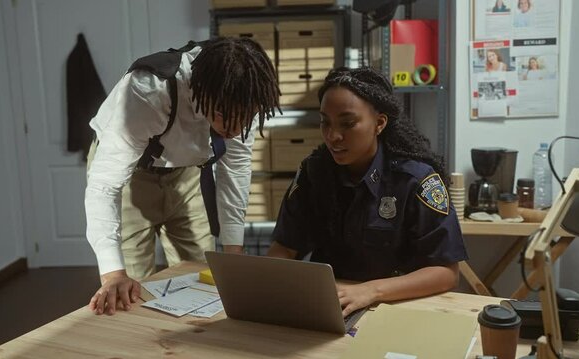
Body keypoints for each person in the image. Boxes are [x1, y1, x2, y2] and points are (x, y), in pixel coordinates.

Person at [86, 37, 281, 315]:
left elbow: (234, 169)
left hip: (185, 174)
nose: (236, 128)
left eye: (246, 118)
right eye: (224, 115)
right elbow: (105, 185)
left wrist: (233, 252)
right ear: (200, 90)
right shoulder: (149, 90)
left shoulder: (243, 91)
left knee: (206, 279)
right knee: (131, 291)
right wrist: (113, 274)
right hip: (130, 176)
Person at [267, 67, 467, 317]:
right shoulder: (314, 173)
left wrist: (371, 291)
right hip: (331, 307)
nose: (333, 136)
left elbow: (447, 272)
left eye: (347, 124)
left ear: (379, 123)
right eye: (325, 122)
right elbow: (284, 248)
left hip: (397, 308)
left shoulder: (416, 180)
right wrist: (275, 284)